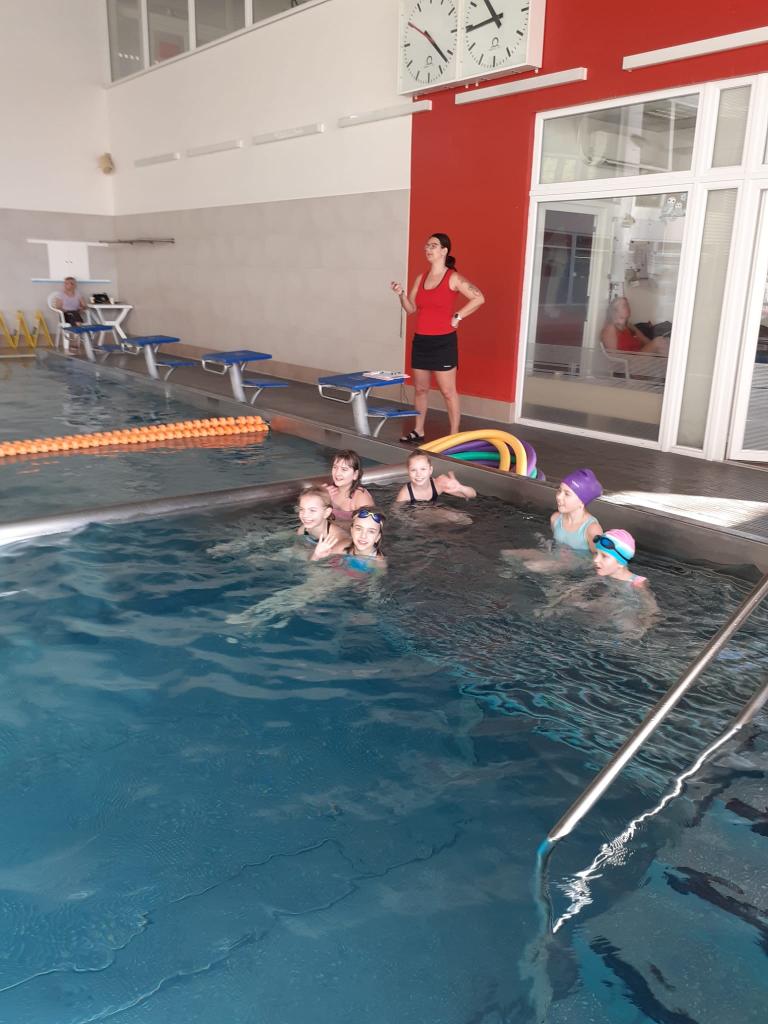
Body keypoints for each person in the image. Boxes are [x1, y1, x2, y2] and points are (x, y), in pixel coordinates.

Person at [391, 232, 485, 442]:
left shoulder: (453, 277)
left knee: (448, 392)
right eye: (426, 246)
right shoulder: (421, 278)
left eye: (433, 245)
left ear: (444, 251)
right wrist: (401, 294)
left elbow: (479, 298)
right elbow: (411, 309)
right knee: (420, 389)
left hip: (443, 342)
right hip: (421, 342)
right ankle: (419, 430)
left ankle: (454, 435)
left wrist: (458, 316)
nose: (428, 249)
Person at [394, 451, 476, 504]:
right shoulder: (405, 494)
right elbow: (396, 513)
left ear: (430, 470)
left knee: (463, 519)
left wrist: (460, 488)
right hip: (416, 517)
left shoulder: (438, 484)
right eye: (413, 470)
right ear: (408, 472)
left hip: (434, 510)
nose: (418, 474)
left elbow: (472, 495)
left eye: (423, 469)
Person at [600, 297, 668, 356]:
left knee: (663, 341)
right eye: (624, 305)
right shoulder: (610, 328)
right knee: (658, 341)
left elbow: (645, 340)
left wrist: (653, 348)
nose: (628, 307)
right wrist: (655, 345)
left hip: (639, 354)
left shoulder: (628, 325)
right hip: (629, 361)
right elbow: (613, 355)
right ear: (616, 311)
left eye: (628, 305)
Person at [295, 486, 347, 559]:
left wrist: (315, 556)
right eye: (301, 509)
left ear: (326, 512)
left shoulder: (339, 541)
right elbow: (297, 551)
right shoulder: (303, 530)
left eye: (312, 510)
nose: (305, 515)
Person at [325, 450, 373, 522]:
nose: (337, 473)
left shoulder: (360, 497)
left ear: (355, 474)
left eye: (344, 469)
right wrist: (323, 500)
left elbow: (369, 524)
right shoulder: (329, 491)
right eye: (335, 467)